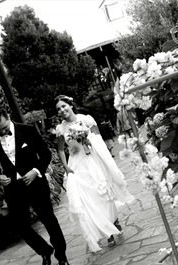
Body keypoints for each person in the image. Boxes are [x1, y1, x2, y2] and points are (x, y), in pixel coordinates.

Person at [0, 107, 70, 265]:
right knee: (20, 226)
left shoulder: (28, 130)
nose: (2, 131)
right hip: (13, 187)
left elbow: (45, 154)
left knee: (49, 221)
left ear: (8, 117)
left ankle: (62, 256)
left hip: (35, 183)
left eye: (4, 127)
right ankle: (44, 251)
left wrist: (36, 171)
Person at [54, 95, 135, 253]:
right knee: (90, 199)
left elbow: (98, 139)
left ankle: (114, 221)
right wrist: (65, 166)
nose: (62, 110)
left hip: (94, 160)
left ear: (71, 105)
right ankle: (107, 232)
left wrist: (87, 139)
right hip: (77, 165)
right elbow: (60, 149)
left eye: (64, 106)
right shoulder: (60, 129)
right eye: (58, 109)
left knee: (103, 194)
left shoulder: (86, 119)